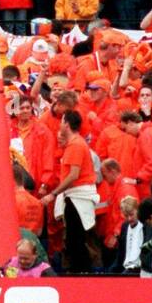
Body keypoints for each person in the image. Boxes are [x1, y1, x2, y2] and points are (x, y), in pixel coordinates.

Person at [42, 108, 101, 273]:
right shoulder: (75, 144)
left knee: (77, 239)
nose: (59, 125)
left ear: (66, 124)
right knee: (76, 239)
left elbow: (73, 175)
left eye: (61, 121)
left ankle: (81, 274)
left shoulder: (75, 145)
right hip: (75, 196)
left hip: (77, 197)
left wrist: (53, 194)